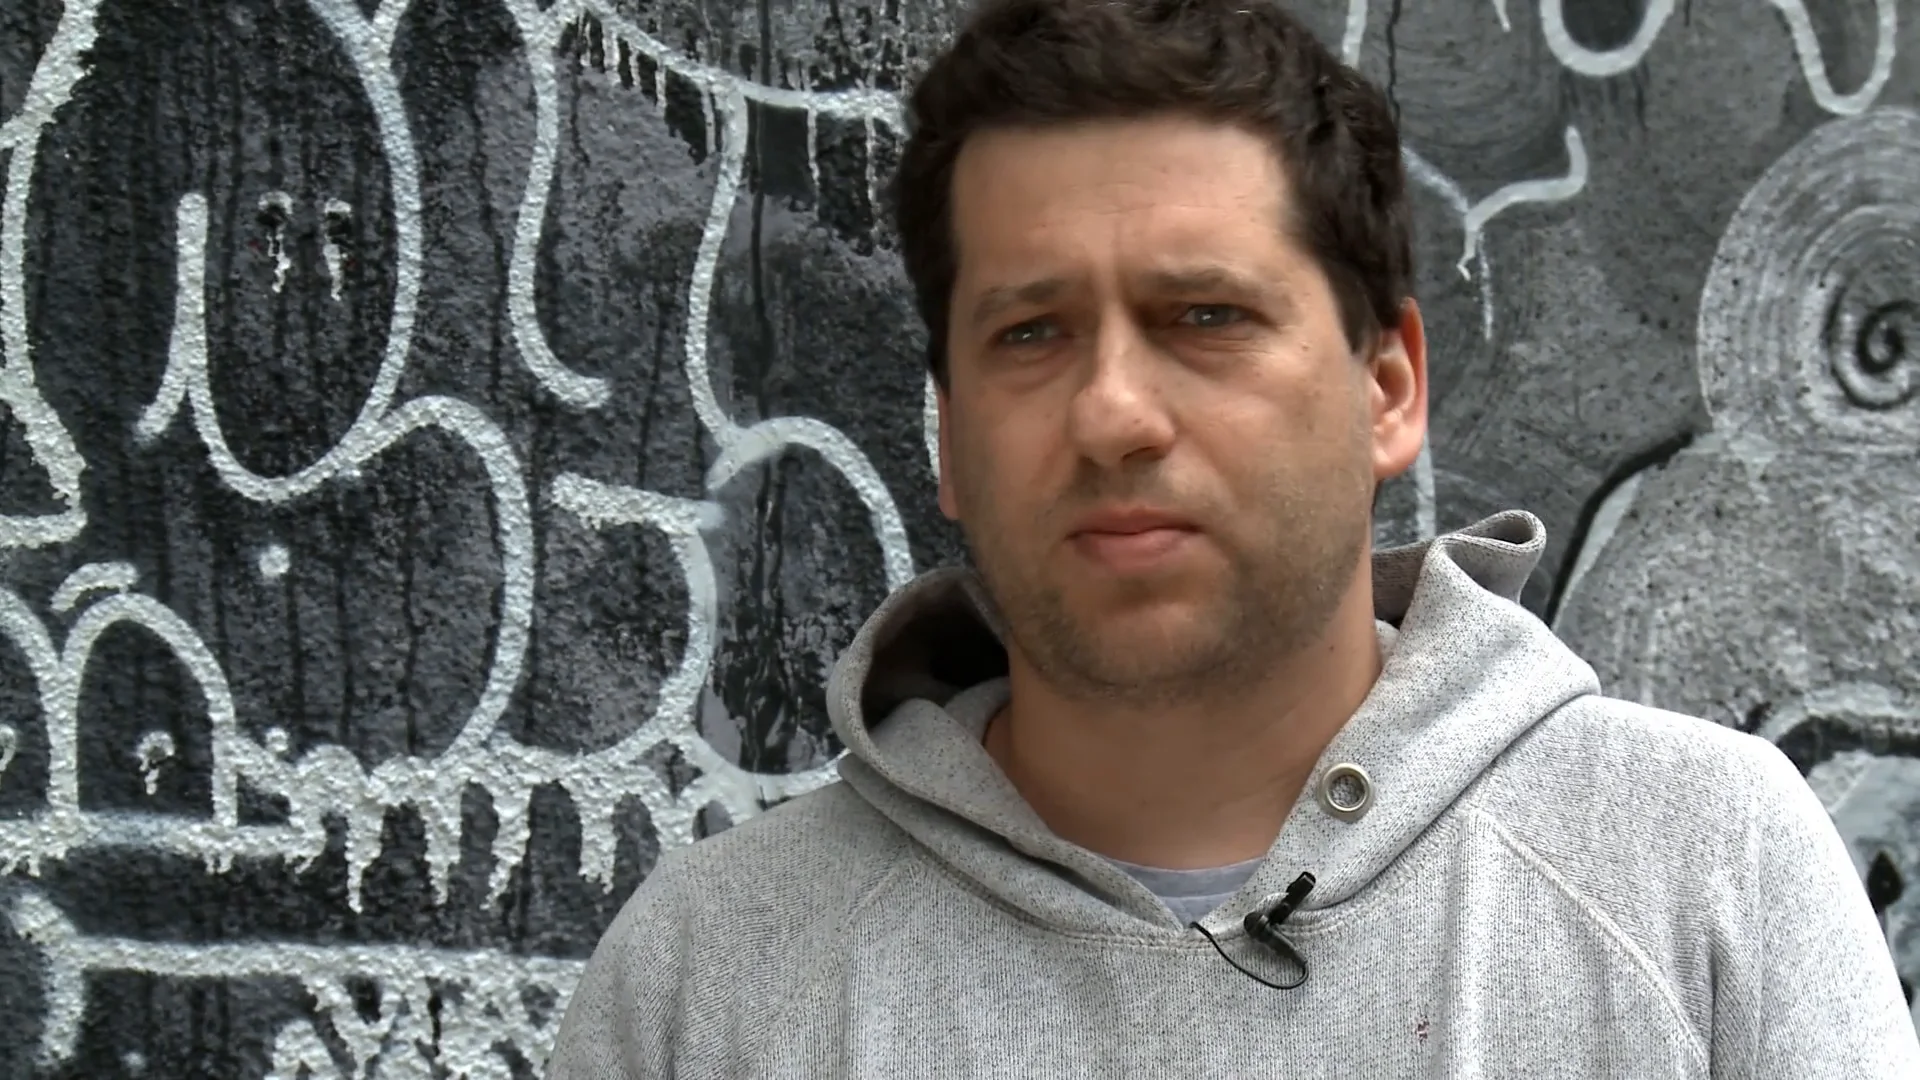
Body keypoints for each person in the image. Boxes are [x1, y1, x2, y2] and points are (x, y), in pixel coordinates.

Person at [545, 0, 1919, 1073]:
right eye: (1031, 333)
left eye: (1205, 317)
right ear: (950, 437)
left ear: (1388, 390)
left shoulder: (1704, 878)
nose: (1114, 413)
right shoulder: (708, 983)